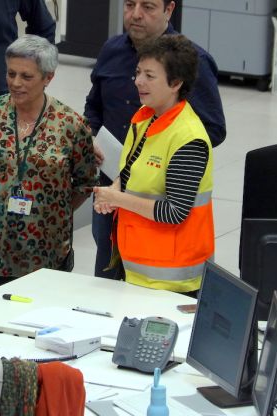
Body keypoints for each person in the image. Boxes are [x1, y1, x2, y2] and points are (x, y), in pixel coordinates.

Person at [85, 0, 224, 279]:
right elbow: (95, 108)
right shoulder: (143, 115)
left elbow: (175, 210)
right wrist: (115, 185)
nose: (138, 82)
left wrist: (160, 160)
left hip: (168, 268)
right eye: (130, 4)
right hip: (124, 209)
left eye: (147, 6)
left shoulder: (186, 133)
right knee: (107, 271)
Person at [0, 35, 96, 294]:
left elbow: (85, 183)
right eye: (11, 73)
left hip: (44, 252)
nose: (15, 83)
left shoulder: (70, 125)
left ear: (48, 77)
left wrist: (52, 211)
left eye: (26, 77)